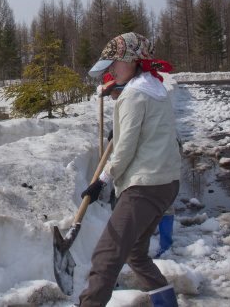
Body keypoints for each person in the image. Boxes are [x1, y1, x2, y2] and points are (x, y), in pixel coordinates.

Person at [77, 32, 181, 307]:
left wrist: (103, 179)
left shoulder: (134, 94)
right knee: (135, 253)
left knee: (107, 254)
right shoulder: (153, 89)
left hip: (145, 186)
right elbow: (147, 132)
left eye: (115, 62)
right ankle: (167, 303)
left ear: (134, 61)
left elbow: (125, 149)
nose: (111, 69)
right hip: (166, 183)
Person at [101, 73, 176, 258]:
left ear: (117, 88)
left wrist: (105, 176)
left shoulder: (133, 97)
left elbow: (128, 145)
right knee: (160, 204)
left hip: (157, 161)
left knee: (160, 205)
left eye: (111, 92)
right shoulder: (142, 94)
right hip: (162, 159)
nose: (110, 97)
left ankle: (165, 245)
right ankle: (154, 241)